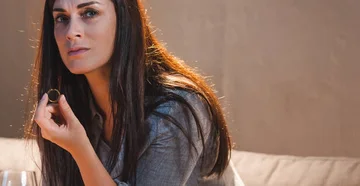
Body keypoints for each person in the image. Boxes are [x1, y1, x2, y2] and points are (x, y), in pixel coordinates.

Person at [24, 0, 240, 185]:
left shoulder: (176, 108)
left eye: (90, 13)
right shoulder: (68, 107)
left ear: (124, 18)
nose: (71, 33)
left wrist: (80, 149)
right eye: (61, 18)